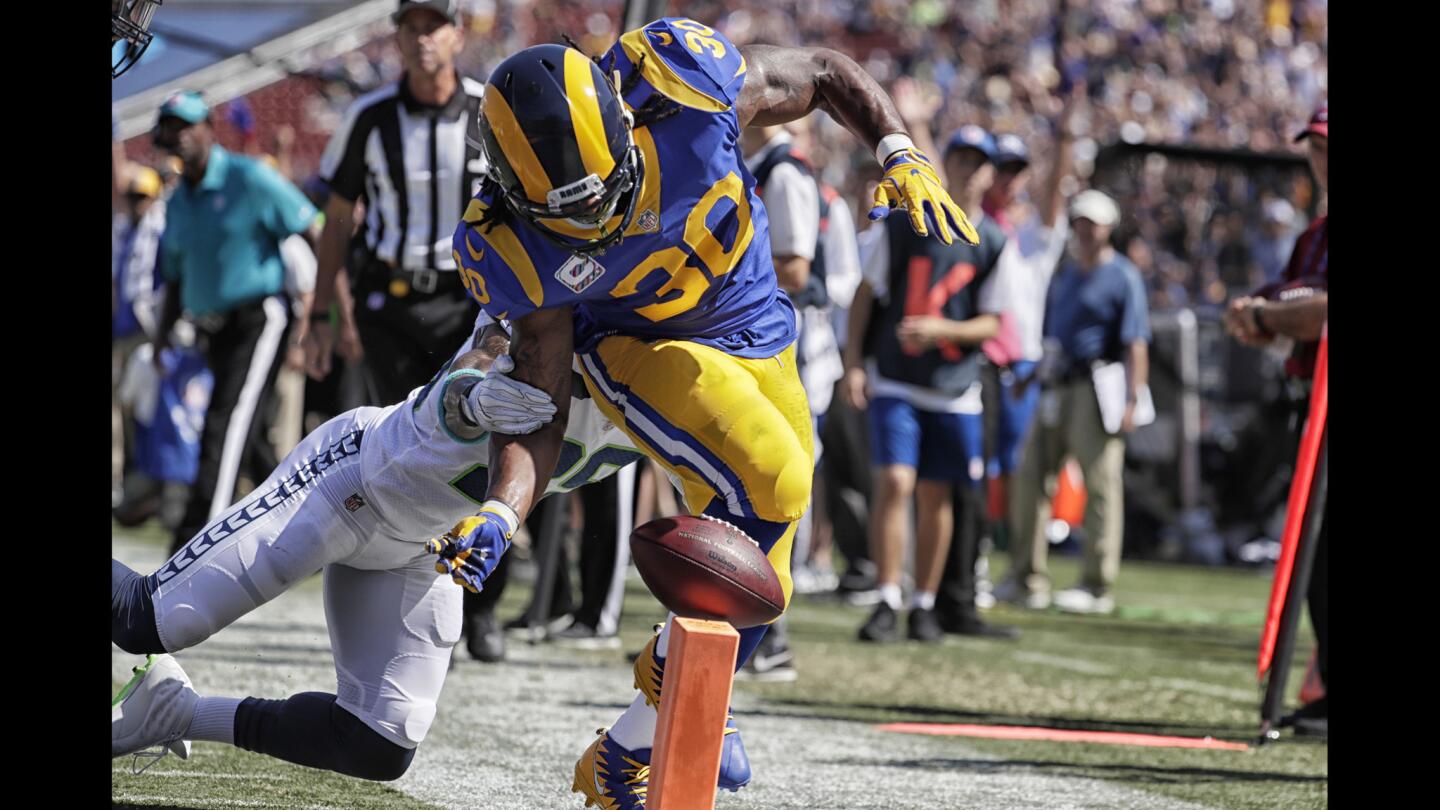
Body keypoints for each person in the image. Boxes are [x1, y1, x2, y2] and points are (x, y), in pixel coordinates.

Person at [440, 18, 976, 805]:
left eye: (607, 193)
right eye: (569, 214)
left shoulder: (681, 84)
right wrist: (500, 507)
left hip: (763, 328)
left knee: (766, 583)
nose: (596, 223)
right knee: (781, 483)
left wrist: (897, 145)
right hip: (639, 348)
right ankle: (669, 690)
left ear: (627, 123)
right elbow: (540, 398)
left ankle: (631, 743)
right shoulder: (510, 242)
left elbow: (824, 69)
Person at [111, 315, 640, 779]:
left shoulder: (688, 380)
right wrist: (473, 398)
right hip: (351, 483)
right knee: (150, 618)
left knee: (380, 741)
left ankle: (175, 712)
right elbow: (485, 352)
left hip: (424, 543)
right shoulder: (569, 283)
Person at [843, 125, 1005, 643]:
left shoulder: (995, 240)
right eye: (960, 158)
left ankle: (924, 602)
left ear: (989, 173)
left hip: (956, 387)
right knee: (895, 483)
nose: (968, 169)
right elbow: (866, 295)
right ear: (946, 162)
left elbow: (996, 323)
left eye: (978, 162)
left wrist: (943, 331)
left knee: (938, 495)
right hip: (898, 378)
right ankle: (888, 596)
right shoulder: (903, 223)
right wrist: (854, 362)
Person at [150, 91, 321, 555]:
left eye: (187, 125)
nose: (179, 135)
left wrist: (321, 313)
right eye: (170, 127)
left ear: (209, 128)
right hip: (210, 328)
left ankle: (194, 542)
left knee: (223, 425)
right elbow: (174, 274)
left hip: (258, 319)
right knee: (246, 438)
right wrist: (163, 334)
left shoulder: (249, 178)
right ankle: (307, 528)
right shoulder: (179, 199)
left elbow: (314, 227)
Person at [304, 0, 487, 409]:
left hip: (468, 304)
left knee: (468, 431)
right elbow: (336, 217)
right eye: (411, 27)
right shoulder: (368, 118)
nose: (422, 38)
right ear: (397, 39)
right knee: (401, 435)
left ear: (457, 36)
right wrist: (320, 313)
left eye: (433, 26)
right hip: (390, 303)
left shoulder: (488, 111)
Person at [1222, 102, 1327, 737]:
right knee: (1316, 557)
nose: (1319, 158)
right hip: (1306, 404)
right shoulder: (1312, 235)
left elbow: (1316, 314)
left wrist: (1263, 316)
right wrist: (1253, 317)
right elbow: (1287, 316)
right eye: (1313, 147)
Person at [1001, 189, 1151, 615]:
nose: (1085, 230)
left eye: (1093, 223)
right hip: (1056, 385)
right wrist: (1030, 376)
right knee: (1031, 477)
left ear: (1109, 228)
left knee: (1101, 484)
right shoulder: (1065, 272)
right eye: (1080, 222)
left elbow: (1135, 342)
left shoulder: (1122, 275)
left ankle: (1096, 584)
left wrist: (1131, 399)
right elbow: (1053, 337)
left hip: (1096, 387)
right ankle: (1026, 576)